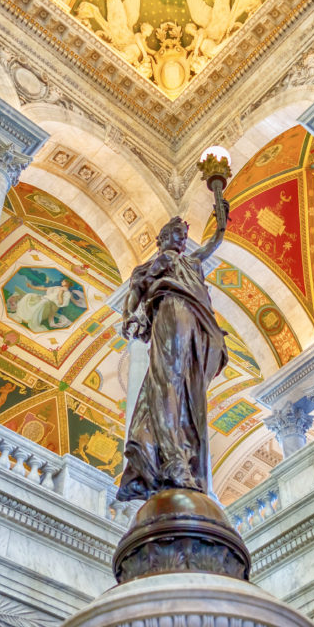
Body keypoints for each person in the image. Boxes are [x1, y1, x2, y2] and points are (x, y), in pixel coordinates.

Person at [116, 196, 229, 501]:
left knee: (187, 385)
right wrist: (131, 316)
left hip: (195, 318)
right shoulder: (163, 260)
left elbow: (210, 246)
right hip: (171, 310)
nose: (183, 238)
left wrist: (220, 222)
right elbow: (136, 288)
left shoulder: (190, 263)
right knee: (170, 378)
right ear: (164, 238)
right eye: (178, 232)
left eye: (184, 233)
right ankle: (171, 458)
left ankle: (184, 455)